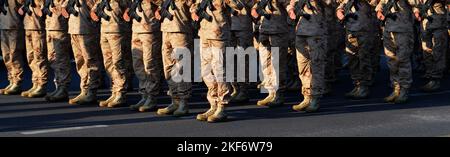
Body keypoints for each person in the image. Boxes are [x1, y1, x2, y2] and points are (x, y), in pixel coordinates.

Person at [191, 0, 242, 122]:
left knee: (220, 71)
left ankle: (222, 106)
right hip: (204, 34)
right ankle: (213, 104)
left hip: (219, 35)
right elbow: (195, 5)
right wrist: (193, 10)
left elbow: (238, 6)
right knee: (206, 72)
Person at [155, 0, 194, 117]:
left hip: (180, 31)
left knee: (181, 67)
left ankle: (183, 102)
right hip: (166, 30)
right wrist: (158, 9)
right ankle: (174, 100)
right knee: (168, 67)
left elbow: (194, 6)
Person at [287, 0, 328, 112]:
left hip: (316, 32)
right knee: (303, 67)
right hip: (300, 32)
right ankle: (306, 96)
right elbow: (290, 3)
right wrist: (291, 9)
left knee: (317, 66)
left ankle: (315, 98)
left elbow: (329, 3)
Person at [90, 0, 131, 108]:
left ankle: (121, 93)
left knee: (118, 62)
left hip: (117, 30)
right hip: (104, 30)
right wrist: (93, 12)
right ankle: (114, 91)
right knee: (108, 63)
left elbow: (130, 6)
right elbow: (95, 8)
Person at [124, 0, 163, 112]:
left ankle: (151, 96)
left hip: (149, 28)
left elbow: (163, 3)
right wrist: (128, 10)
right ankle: (144, 95)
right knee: (138, 65)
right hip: (136, 28)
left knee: (150, 64)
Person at [376, 0, 417, 104]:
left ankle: (404, 89)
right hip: (388, 29)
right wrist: (379, 10)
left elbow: (416, 3)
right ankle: (396, 89)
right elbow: (382, 2)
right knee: (391, 61)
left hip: (403, 30)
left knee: (403, 60)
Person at [62, 0, 102, 105]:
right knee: (80, 61)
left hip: (87, 27)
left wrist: (94, 9)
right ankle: (84, 89)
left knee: (91, 61)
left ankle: (92, 91)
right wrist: (64, 6)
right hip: (74, 27)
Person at [336, 0, 379, 99]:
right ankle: (357, 84)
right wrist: (339, 10)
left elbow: (375, 4)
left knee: (364, 58)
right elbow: (343, 3)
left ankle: (364, 86)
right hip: (351, 28)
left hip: (364, 29)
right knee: (352, 59)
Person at [251, 0, 289, 108]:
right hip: (264, 31)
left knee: (277, 64)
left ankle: (279, 93)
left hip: (278, 31)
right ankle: (270, 92)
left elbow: (290, 5)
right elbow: (256, 5)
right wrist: (254, 9)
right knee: (266, 63)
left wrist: (291, 10)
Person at [41, 0, 72, 102]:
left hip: (60, 25)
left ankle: (63, 88)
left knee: (61, 58)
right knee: (53, 59)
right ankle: (58, 86)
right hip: (51, 25)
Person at [414, 0, 448, 92]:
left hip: (438, 25)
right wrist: (416, 11)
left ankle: (435, 79)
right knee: (426, 51)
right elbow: (416, 4)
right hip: (425, 25)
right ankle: (429, 73)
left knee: (438, 52)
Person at [18, 0, 49, 98]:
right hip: (28, 25)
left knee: (39, 57)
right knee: (31, 57)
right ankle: (35, 83)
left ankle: (41, 85)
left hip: (38, 26)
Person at [229, 0, 254, 103]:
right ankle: (235, 87)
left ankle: (244, 89)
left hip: (242, 27)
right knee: (230, 60)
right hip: (227, 27)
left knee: (242, 60)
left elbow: (240, 5)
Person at [0, 0, 26, 95]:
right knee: (6, 56)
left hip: (14, 24)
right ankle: (11, 79)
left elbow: (23, 3)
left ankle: (17, 82)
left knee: (14, 54)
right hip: (3, 24)